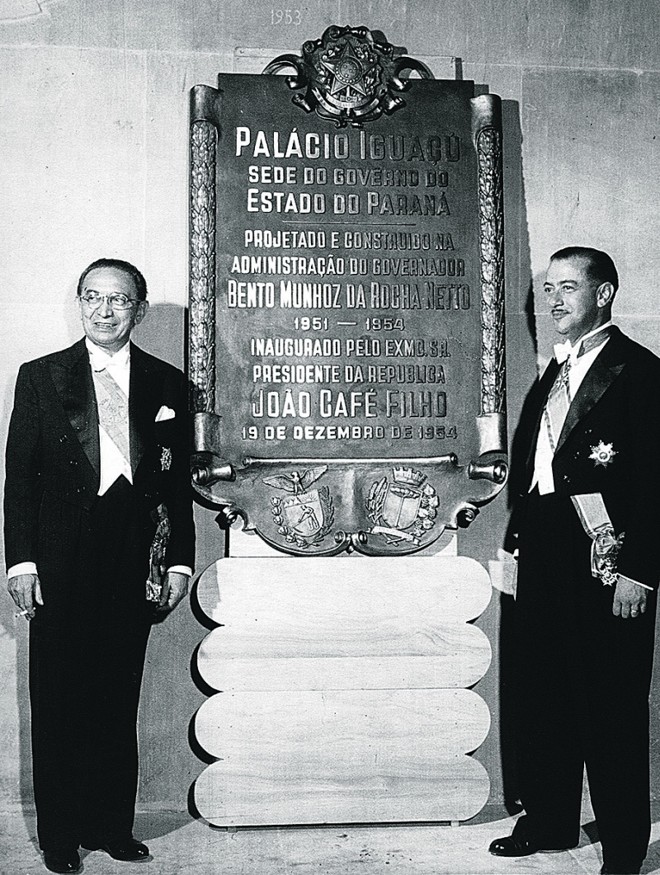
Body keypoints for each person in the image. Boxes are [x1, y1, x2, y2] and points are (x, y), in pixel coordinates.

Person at [4, 259, 195, 874]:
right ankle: (61, 836)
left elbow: (176, 486)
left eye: (118, 300)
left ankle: (111, 825)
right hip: (59, 559)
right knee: (59, 698)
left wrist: (179, 563)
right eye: (92, 298)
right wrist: (22, 563)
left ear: (138, 309)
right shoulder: (40, 377)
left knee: (117, 695)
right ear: (80, 304)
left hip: (133, 560)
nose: (103, 311)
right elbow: (20, 479)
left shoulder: (168, 384)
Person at [489, 247, 660, 875]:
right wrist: (517, 548)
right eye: (548, 288)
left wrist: (639, 570)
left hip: (604, 557)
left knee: (610, 706)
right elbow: (540, 476)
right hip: (542, 552)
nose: (553, 300)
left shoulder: (640, 372)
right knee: (545, 695)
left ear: (604, 293)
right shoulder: (553, 373)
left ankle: (623, 848)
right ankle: (552, 822)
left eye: (568, 287)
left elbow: (656, 482)